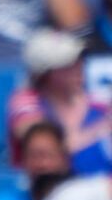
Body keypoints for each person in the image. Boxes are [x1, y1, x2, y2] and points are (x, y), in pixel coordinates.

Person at [9, 29, 112, 175]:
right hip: (45, 189)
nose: (79, 68)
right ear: (45, 73)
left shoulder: (100, 103)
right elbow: (43, 148)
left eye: (80, 60)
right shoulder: (25, 101)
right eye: (68, 64)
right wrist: (101, 129)